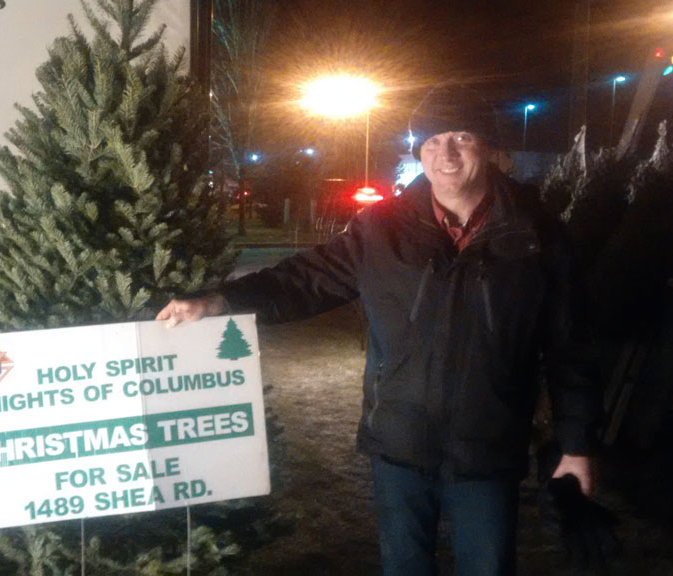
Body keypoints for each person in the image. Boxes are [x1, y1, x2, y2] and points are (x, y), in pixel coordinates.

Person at [156, 82, 601, 575]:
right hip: (399, 448)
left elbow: (571, 349)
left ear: (491, 149)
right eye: (431, 142)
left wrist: (576, 446)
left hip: (489, 449)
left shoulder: (537, 236)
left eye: (461, 138)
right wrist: (223, 299)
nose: (444, 154)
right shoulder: (381, 229)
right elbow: (305, 280)